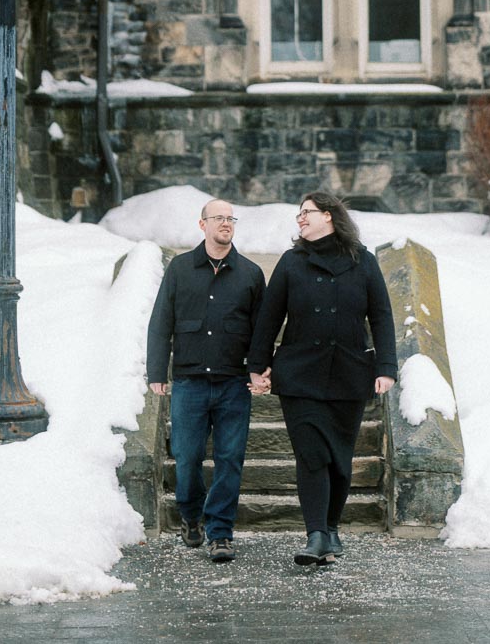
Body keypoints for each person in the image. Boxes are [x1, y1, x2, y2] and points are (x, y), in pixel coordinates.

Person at [248, 192, 397, 566]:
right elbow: (269, 317)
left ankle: (331, 529)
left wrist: (386, 368)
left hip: (348, 372)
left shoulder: (362, 260)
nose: (300, 218)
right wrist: (258, 365)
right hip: (299, 373)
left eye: (307, 212)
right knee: (311, 454)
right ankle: (315, 534)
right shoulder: (291, 262)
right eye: (298, 213)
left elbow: (381, 316)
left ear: (329, 216)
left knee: (340, 460)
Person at [147, 198, 266, 563]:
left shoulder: (250, 274)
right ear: (202, 225)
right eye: (218, 218)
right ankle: (191, 515)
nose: (226, 224)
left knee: (230, 459)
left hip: (233, 384)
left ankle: (220, 532)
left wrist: (259, 370)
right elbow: (161, 322)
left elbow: (262, 330)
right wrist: (156, 373)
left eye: (231, 218)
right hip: (189, 382)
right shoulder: (180, 269)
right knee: (187, 458)